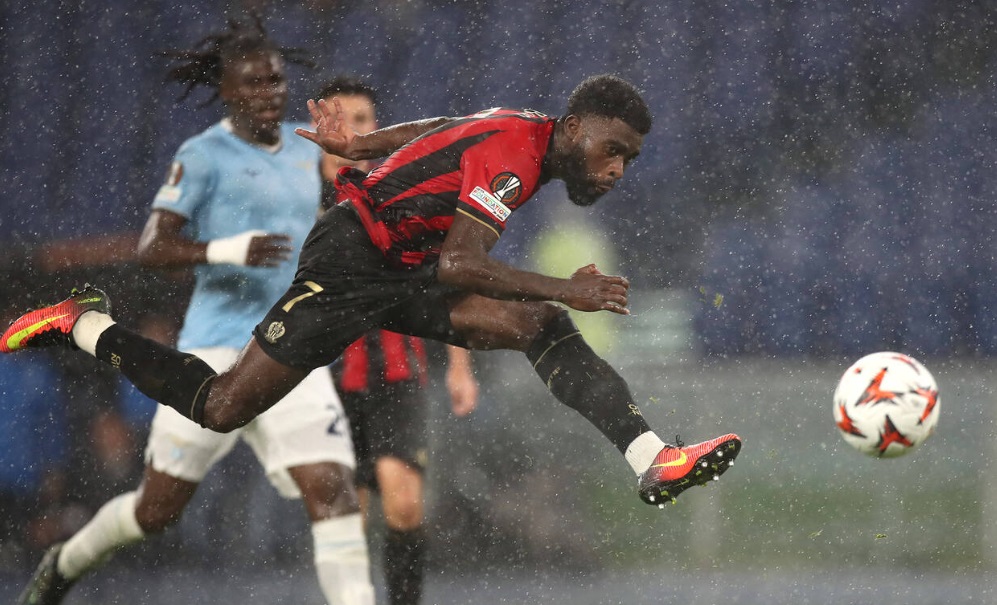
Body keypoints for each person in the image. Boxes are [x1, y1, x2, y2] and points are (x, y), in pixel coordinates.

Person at [2, 74, 742, 526]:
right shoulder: (517, 156)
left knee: (538, 326)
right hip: (351, 261)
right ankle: (83, 323)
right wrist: (568, 287)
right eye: (610, 150)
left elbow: (440, 131)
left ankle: (653, 457)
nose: (615, 170)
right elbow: (461, 260)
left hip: (402, 267)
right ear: (574, 127)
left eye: (628, 160)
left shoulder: (521, 125)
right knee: (222, 405)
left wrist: (364, 146)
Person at [12, 15, 374, 605]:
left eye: (276, 80)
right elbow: (152, 249)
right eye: (253, 82)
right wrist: (227, 250)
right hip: (212, 347)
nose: (269, 92)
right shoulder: (203, 155)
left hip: (290, 345)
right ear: (226, 90)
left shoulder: (307, 145)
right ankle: (66, 561)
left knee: (333, 492)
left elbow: (357, 179)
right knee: (155, 511)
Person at [315, 75, 479, 605]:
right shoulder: (295, 204)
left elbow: (447, 282)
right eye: (341, 120)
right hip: (327, 379)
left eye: (362, 121)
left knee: (403, 503)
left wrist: (460, 367)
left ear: (377, 130)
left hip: (397, 373)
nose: (352, 132)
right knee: (348, 516)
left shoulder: (405, 195)